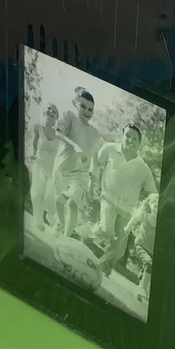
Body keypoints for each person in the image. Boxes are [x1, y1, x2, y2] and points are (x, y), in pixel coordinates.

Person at [94, 124, 158, 275]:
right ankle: (93, 231)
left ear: (139, 143)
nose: (130, 140)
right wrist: (92, 180)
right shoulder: (109, 148)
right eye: (127, 136)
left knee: (119, 251)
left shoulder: (143, 168)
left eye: (134, 138)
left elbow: (153, 193)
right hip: (109, 200)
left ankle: (102, 266)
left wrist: (149, 208)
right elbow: (95, 161)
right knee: (106, 230)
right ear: (122, 136)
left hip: (127, 211)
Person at [55, 86, 104, 239]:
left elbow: (95, 159)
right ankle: (62, 224)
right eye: (83, 106)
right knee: (58, 201)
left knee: (72, 203)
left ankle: (66, 238)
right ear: (74, 103)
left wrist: (92, 181)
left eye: (90, 109)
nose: (87, 111)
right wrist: (75, 146)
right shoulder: (69, 116)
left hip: (80, 175)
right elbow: (58, 132)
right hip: (62, 169)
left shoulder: (94, 133)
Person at [28, 103, 63, 232]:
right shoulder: (38, 128)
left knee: (49, 199)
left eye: (54, 110)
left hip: (53, 171)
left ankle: (51, 216)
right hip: (39, 165)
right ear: (45, 112)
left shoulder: (59, 134)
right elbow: (34, 144)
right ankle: (38, 222)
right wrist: (33, 155)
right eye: (49, 109)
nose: (51, 111)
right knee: (37, 194)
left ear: (57, 117)